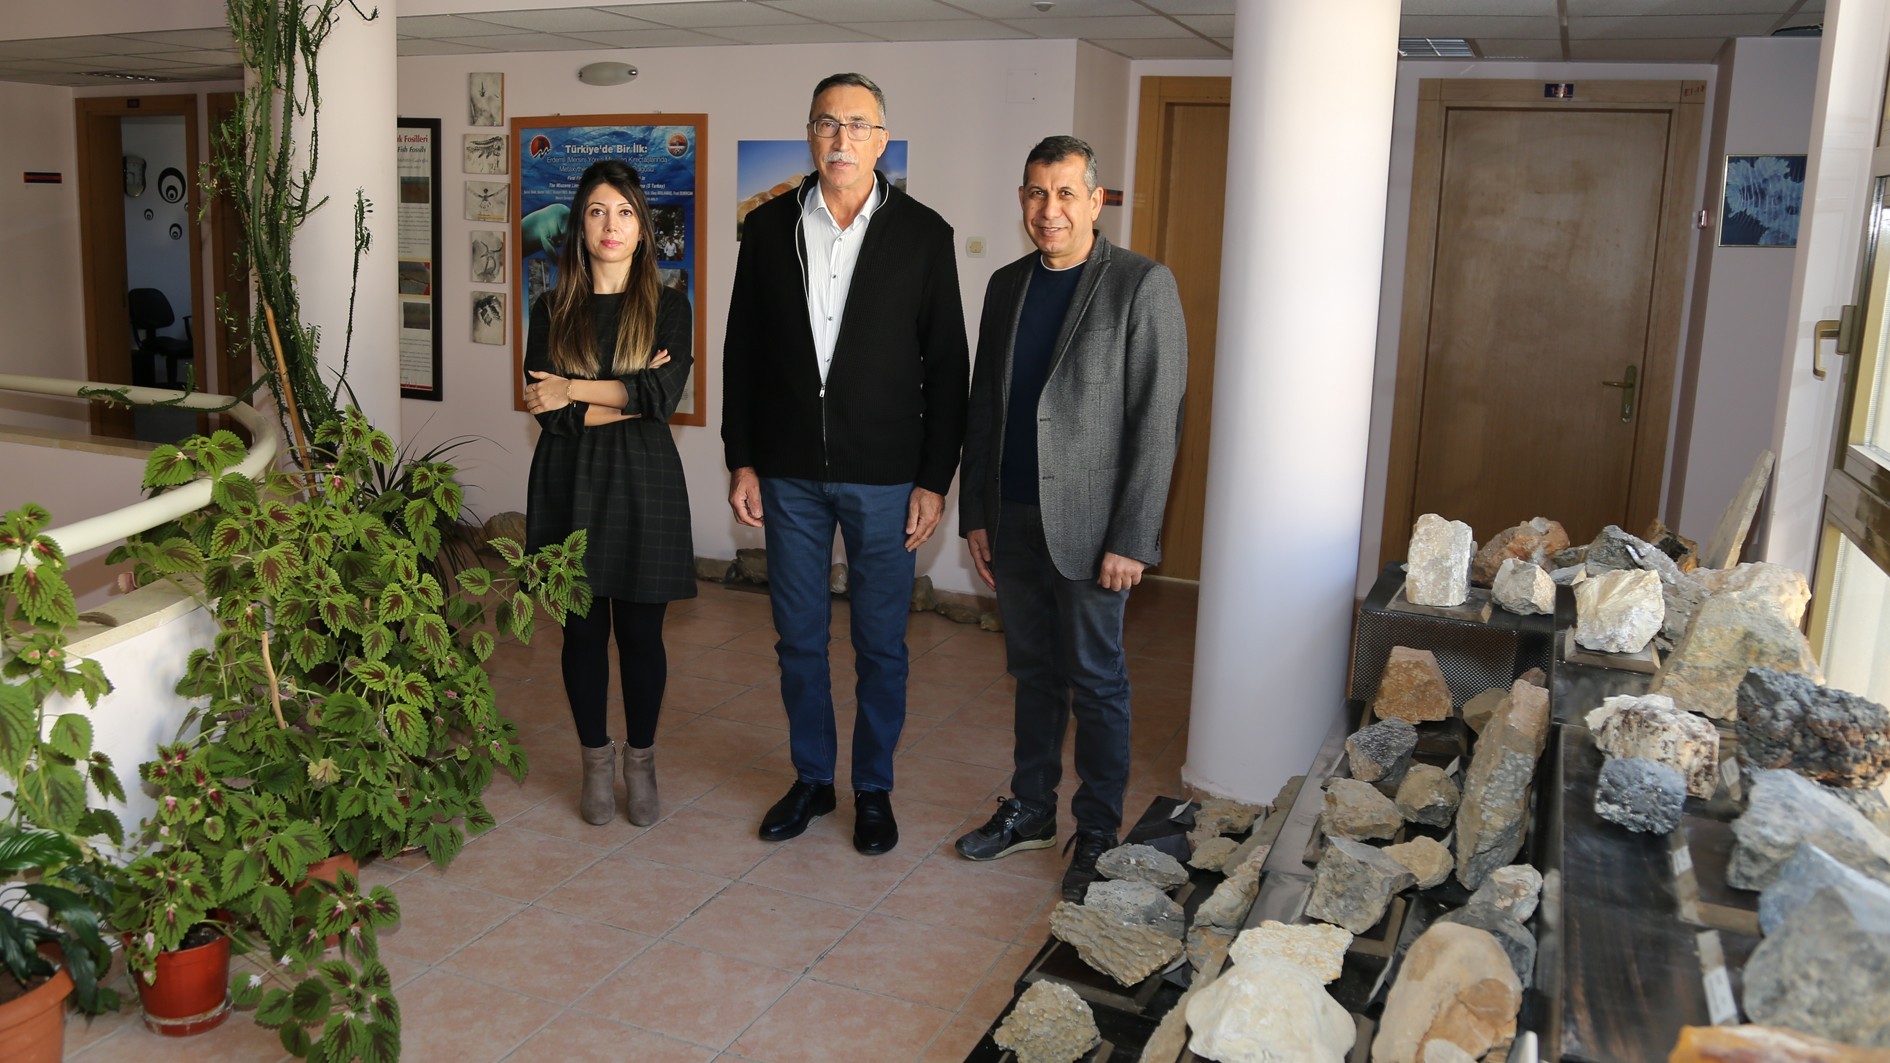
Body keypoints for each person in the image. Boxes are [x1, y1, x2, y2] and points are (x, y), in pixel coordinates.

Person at [722, 73, 969, 856]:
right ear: (810, 135)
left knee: (880, 644)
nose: (841, 139)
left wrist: (933, 478)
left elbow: (948, 369)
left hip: (886, 476)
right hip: (788, 472)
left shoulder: (924, 235)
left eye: (857, 125)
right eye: (827, 123)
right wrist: (742, 458)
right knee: (798, 638)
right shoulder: (767, 230)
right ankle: (811, 779)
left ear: (881, 140)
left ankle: (873, 788)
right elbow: (741, 353)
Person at [951, 136, 1188, 900]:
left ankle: (1097, 829)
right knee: (1032, 674)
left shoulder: (1142, 285)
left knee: (1096, 681)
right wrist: (977, 513)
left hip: (1093, 530)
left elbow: (1157, 421)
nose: (1047, 209)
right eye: (1035, 193)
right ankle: (1030, 810)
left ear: (1095, 201)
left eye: (1063, 193)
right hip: (1013, 517)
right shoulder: (1006, 285)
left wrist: (1132, 537)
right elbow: (984, 407)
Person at [523, 159, 695, 828]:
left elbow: (662, 396)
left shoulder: (669, 306)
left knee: (643, 635)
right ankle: (596, 761)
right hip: (569, 482)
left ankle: (641, 762)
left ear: (642, 227)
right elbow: (549, 415)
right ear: (579, 225)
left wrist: (574, 387)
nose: (610, 225)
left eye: (624, 212)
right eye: (597, 211)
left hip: (645, 483)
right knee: (582, 633)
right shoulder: (550, 308)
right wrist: (622, 393)